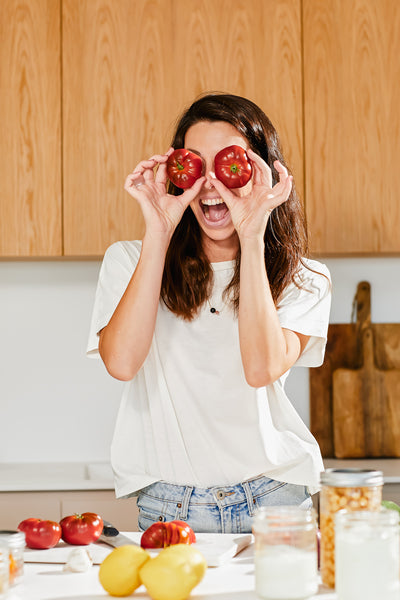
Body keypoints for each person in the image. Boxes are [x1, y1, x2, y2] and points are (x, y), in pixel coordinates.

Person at [87, 92, 331, 534]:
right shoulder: (130, 261)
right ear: (179, 175)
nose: (213, 184)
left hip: (275, 497)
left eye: (230, 163)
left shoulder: (305, 277)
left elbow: (261, 368)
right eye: (195, 165)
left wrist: (252, 234)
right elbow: (120, 363)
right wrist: (158, 232)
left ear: (264, 173)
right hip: (168, 505)